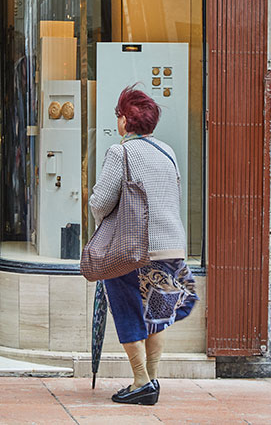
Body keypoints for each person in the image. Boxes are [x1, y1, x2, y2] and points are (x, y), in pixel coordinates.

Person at [89, 86, 197, 406]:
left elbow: (100, 202)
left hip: (133, 251)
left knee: (128, 310)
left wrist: (101, 222)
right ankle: (151, 380)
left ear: (125, 120)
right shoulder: (168, 151)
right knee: (156, 315)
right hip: (171, 248)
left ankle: (140, 380)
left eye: (118, 116)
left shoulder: (120, 152)